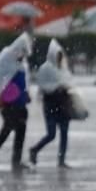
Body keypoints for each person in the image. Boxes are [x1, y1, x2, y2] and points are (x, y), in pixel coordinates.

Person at [0, 33, 32, 172]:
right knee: (8, 127)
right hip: (7, 103)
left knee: (21, 130)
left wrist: (26, 93)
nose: (23, 56)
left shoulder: (22, 65)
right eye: (22, 52)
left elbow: (23, 82)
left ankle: (16, 160)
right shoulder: (6, 60)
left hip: (20, 103)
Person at [29, 39, 73, 169]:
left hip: (63, 104)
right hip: (51, 105)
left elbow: (68, 81)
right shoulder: (45, 68)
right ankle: (35, 150)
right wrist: (56, 87)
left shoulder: (62, 69)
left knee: (64, 133)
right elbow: (42, 85)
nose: (59, 58)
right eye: (58, 55)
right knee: (51, 134)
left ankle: (61, 160)